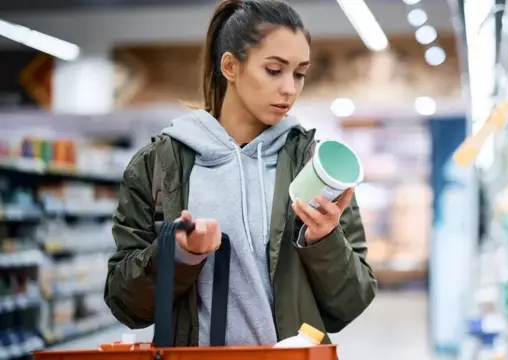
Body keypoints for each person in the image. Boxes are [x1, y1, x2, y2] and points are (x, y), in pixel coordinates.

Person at [104, 0, 377, 348]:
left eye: (299, 73)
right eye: (275, 70)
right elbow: (125, 304)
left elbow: (351, 303)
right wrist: (180, 254)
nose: (290, 88)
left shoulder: (315, 167)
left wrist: (323, 241)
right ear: (230, 66)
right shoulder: (158, 166)